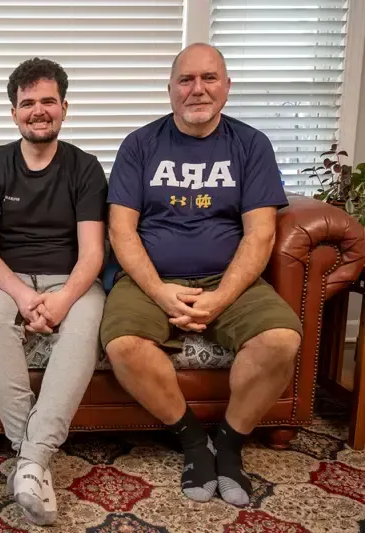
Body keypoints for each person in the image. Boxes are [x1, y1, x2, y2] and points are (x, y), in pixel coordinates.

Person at [101, 43, 302, 507]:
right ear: (170, 89)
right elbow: (121, 230)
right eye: (186, 80)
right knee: (122, 345)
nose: (197, 89)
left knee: (281, 339)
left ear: (227, 87)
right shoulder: (140, 144)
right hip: (151, 279)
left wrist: (221, 297)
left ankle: (229, 444)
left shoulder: (251, 145)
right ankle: (194, 441)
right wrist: (160, 292)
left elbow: (260, 235)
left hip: (229, 276)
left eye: (209, 78)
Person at [0, 58, 108, 526]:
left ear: (64, 108)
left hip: (70, 280)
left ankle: (30, 461)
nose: (38, 111)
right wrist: (24, 299)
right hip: (6, 279)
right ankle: (34, 459)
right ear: (14, 112)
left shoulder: (85, 169)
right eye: (27, 103)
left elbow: (92, 254)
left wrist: (63, 299)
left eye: (48, 101)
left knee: (88, 321)